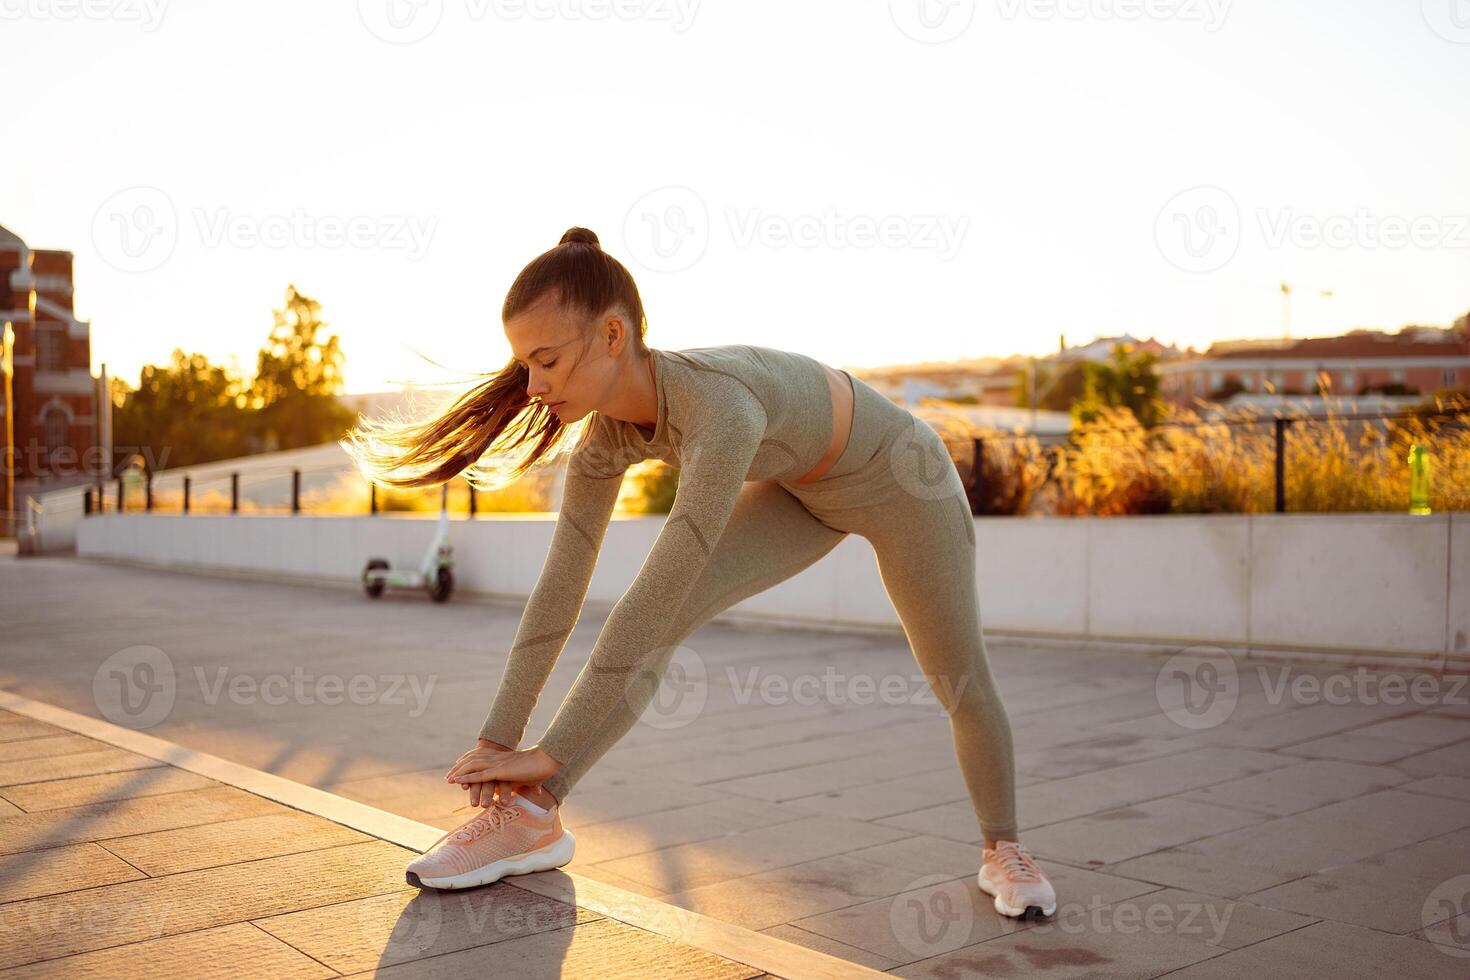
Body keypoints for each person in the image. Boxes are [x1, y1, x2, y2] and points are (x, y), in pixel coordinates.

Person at [339, 226, 1057, 918]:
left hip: (904, 480)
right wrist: (499, 741)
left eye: (548, 361)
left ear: (613, 336)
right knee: (664, 620)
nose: (532, 386)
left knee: (956, 673)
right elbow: (561, 587)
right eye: (525, 364)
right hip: (803, 491)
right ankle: (532, 818)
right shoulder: (601, 440)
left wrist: (549, 746)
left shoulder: (719, 406)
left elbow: (661, 581)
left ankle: (1006, 850)